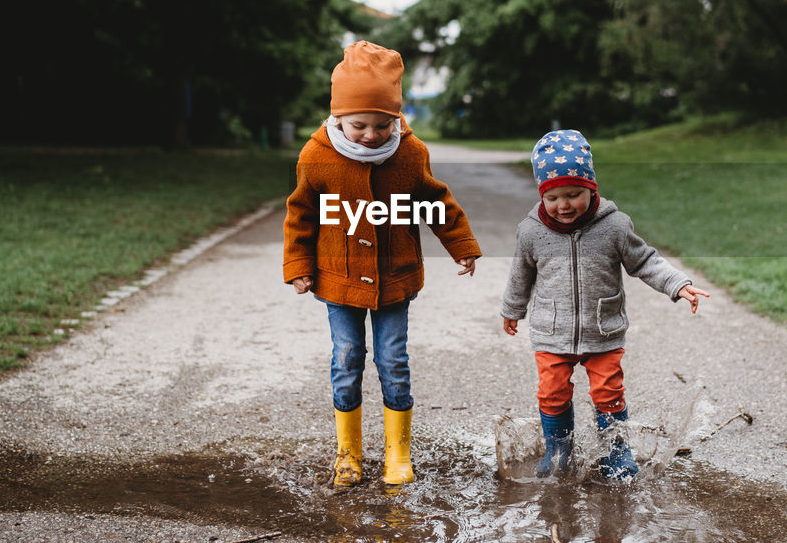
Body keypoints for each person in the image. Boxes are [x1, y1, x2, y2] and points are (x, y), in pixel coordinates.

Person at [283, 41, 481, 487]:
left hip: (395, 277)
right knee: (347, 358)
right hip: (339, 278)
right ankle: (348, 454)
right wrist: (298, 263)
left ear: (396, 117)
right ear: (337, 117)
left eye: (381, 124)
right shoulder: (317, 157)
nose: (371, 135)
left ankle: (397, 453)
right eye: (359, 126)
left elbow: (437, 201)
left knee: (393, 359)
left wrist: (461, 244)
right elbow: (300, 214)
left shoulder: (410, 154)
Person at [500, 129, 708, 481]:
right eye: (553, 197)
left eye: (574, 194)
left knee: (608, 393)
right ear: (542, 195)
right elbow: (520, 274)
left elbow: (645, 262)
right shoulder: (531, 231)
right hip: (553, 331)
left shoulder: (614, 226)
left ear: (591, 188)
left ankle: (615, 450)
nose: (563, 205)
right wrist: (512, 309)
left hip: (604, 329)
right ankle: (559, 450)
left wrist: (678, 284)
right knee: (551, 393)